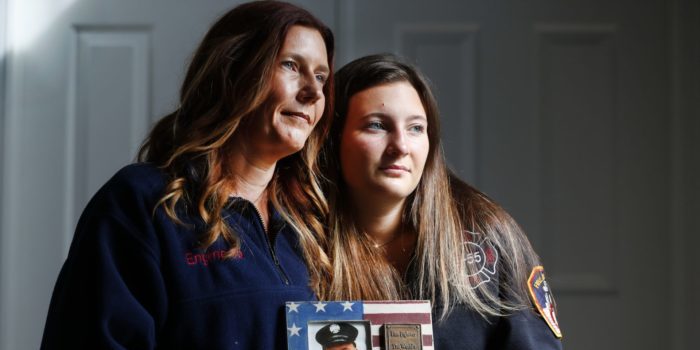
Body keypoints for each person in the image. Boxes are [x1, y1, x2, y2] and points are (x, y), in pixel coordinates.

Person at [41, 1, 334, 348]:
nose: (314, 92)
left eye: (320, 77)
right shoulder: (142, 204)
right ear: (233, 71)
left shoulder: (312, 225)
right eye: (290, 65)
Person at [320, 54, 563, 349]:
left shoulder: (486, 239)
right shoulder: (300, 242)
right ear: (332, 138)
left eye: (415, 128)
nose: (401, 146)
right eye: (377, 125)